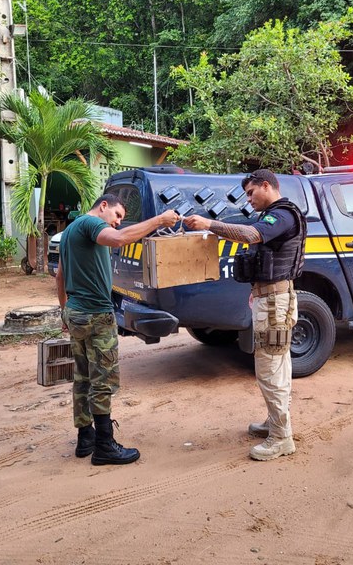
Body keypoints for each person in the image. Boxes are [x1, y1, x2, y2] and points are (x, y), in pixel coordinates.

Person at [184, 168, 307, 461]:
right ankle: (275, 421)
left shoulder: (282, 215)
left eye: (251, 193)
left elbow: (250, 235)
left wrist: (210, 224)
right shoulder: (274, 215)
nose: (249, 199)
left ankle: (281, 437)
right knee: (278, 364)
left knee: (270, 368)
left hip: (276, 304)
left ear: (267, 186)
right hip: (273, 298)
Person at [56, 194, 179, 465]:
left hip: (75, 312)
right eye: (117, 216)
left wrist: (64, 310)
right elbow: (120, 239)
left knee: (83, 377)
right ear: (103, 207)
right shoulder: (91, 224)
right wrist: (160, 219)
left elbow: (60, 275)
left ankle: (85, 438)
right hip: (96, 314)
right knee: (103, 380)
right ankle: (104, 445)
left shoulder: (68, 232)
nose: (118, 222)